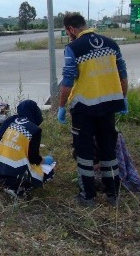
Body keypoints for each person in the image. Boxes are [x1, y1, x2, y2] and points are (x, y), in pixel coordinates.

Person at [57, 12, 129, 207]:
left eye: (66, 31)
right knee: (108, 150)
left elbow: (67, 81)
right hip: (109, 106)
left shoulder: (73, 48)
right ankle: (113, 194)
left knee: (84, 152)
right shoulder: (111, 44)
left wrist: (61, 106)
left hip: (84, 109)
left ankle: (87, 196)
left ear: (71, 29)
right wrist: (123, 97)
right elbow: (123, 73)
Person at [0, 99, 54, 197]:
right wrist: (44, 160)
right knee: (48, 173)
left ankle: (5, 184)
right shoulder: (34, 129)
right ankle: (18, 189)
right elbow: (34, 159)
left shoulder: (10, 120)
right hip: (12, 176)